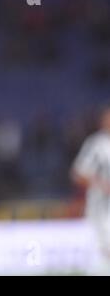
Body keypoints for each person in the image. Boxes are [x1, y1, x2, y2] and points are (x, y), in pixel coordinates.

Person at [71, 103, 110, 274]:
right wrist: (100, 184)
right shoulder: (96, 144)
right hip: (100, 208)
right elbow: (77, 173)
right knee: (104, 249)